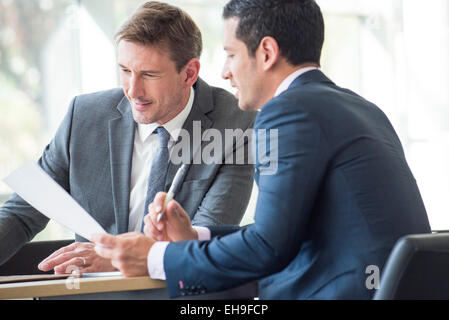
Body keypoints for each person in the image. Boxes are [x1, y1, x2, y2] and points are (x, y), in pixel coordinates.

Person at [91, 0, 431, 299]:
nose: (224, 72)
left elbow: (268, 248)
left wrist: (153, 258)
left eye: (231, 54)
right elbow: (281, 232)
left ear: (266, 53)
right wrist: (195, 236)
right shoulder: (362, 108)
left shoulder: (286, 111)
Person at [0, 1, 256, 275]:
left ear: (189, 74)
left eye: (149, 74)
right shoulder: (84, 116)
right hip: (94, 294)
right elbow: (22, 213)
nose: (133, 90)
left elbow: (206, 241)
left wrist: (122, 258)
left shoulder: (237, 123)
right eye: (125, 70)